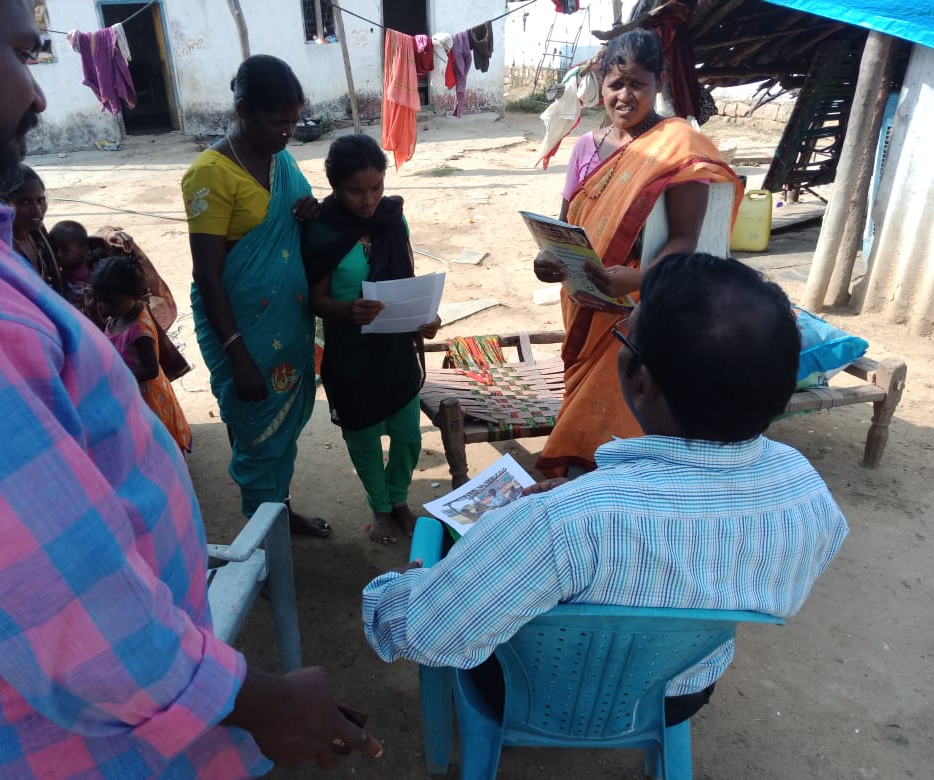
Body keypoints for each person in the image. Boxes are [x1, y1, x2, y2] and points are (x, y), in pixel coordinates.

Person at [0, 1, 380, 775]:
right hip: (63, 746)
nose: (39, 93)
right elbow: (66, 609)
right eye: (22, 53)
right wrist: (262, 702)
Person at [363, 253, 849, 725]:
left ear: (642, 384)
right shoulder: (807, 493)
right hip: (676, 694)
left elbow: (419, 632)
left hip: (535, 694)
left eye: (623, 337)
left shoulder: (559, 524)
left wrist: (405, 585)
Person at [533, 29, 744, 478]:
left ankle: (614, 482)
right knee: (581, 387)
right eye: (616, 84)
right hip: (584, 295)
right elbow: (566, 224)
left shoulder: (678, 147)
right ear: (601, 83)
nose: (624, 96)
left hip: (641, 302)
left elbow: (685, 238)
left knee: (623, 399)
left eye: (637, 84)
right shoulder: (587, 147)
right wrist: (548, 260)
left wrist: (640, 280)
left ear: (659, 82)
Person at [182, 54, 329, 538]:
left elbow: (295, 223)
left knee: (281, 430)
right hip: (240, 332)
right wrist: (237, 353)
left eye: (293, 121)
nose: (286, 133)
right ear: (243, 109)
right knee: (253, 431)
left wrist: (308, 211)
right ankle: (263, 536)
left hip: (287, 323)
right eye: (276, 122)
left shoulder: (281, 161)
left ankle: (279, 511)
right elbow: (207, 273)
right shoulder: (210, 174)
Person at [303, 134, 441, 544]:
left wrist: (424, 318)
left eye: (377, 187)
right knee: (363, 435)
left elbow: (406, 281)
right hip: (350, 351)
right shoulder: (321, 229)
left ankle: (399, 499)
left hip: (395, 346)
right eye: (356, 191)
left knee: (407, 435)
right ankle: (380, 507)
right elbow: (315, 298)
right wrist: (349, 311)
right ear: (334, 186)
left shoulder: (393, 218)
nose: (368, 200)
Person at [91, 255, 193, 453]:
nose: (105, 308)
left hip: (147, 397)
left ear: (134, 295)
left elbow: (151, 369)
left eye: (111, 303)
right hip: (129, 390)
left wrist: (116, 374)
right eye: (101, 301)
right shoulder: (118, 316)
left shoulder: (140, 331)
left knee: (158, 441)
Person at [0, 163, 63, 294]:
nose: (37, 210)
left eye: (41, 200)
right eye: (25, 202)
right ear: (2, 204)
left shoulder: (37, 232)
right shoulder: (1, 248)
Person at [49, 218, 90, 309]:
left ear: (84, 250)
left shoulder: (89, 277)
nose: (59, 255)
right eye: (55, 249)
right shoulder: (56, 273)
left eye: (65, 250)